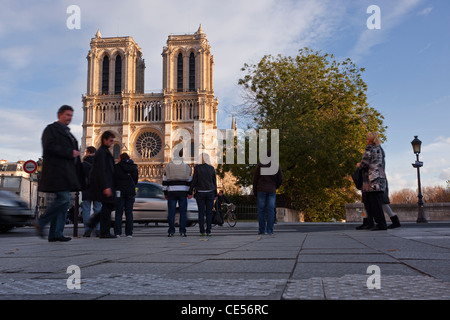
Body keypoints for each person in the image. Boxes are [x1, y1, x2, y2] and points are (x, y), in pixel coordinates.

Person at [35, 105, 84, 242]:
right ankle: (41, 222)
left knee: (63, 203)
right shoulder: (51, 129)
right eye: (67, 115)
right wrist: (70, 152)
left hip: (66, 173)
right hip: (56, 172)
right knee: (63, 200)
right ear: (59, 114)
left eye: (71, 115)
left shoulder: (68, 133)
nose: (69, 118)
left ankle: (55, 234)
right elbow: (49, 147)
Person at [87, 131, 116, 238]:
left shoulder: (104, 151)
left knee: (107, 207)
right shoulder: (102, 152)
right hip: (105, 185)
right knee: (107, 207)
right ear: (105, 140)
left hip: (107, 184)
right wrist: (105, 186)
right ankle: (104, 231)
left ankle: (95, 224)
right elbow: (101, 170)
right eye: (111, 140)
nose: (112, 143)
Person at [357, 132, 388, 231]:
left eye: (367, 139)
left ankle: (380, 224)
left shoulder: (369, 148)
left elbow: (364, 164)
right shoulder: (380, 149)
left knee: (372, 203)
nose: (366, 140)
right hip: (380, 179)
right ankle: (375, 223)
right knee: (376, 202)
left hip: (371, 180)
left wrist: (359, 165)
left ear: (369, 139)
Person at [253, 150, 283, 235]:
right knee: (270, 210)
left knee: (261, 210)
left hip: (261, 189)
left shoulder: (260, 165)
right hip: (271, 190)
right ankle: (270, 230)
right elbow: (280, 179)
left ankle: (261, 230)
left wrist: (255, 191)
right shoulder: (276, 165)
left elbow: (255, 179)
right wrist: (275, 186)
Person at [162, 149, 192, 237]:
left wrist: (165, 192)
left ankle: (171, 231)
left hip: (172, 191)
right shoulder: (186, 166)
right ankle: (182, 231)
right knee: (183, 212)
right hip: (183, 192)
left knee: (171, 212)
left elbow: (164, 181)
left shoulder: (168, 166)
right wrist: (189, 192)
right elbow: (189, 181)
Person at [188, 153, 217, 236]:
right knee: (209, 213)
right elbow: (214, 182)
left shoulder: (197, 168)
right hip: (210, 192)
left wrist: (190, 191)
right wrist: (215, 193)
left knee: (201, 213)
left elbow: (194, 181)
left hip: (200, 193)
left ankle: (202, 231)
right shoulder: (211, 168)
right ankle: (208, 230)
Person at [114, 152, 138, 238]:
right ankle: (129, 233)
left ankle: (117, 233)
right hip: (130, 192)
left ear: (120, 158)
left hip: (119, 191)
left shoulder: (116, 167)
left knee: (119, 213)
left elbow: (114, 179)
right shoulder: (134, 167)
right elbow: (135, 181)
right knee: (129, 213)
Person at [81, 146, 101, 237]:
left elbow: (79, 177)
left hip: (86, 189)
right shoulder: (99, 162)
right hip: (97, 188)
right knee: (97, 209)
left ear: (88, 152)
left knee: (86, 210)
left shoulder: (84, 163)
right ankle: (98, 230)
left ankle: (87, 230)